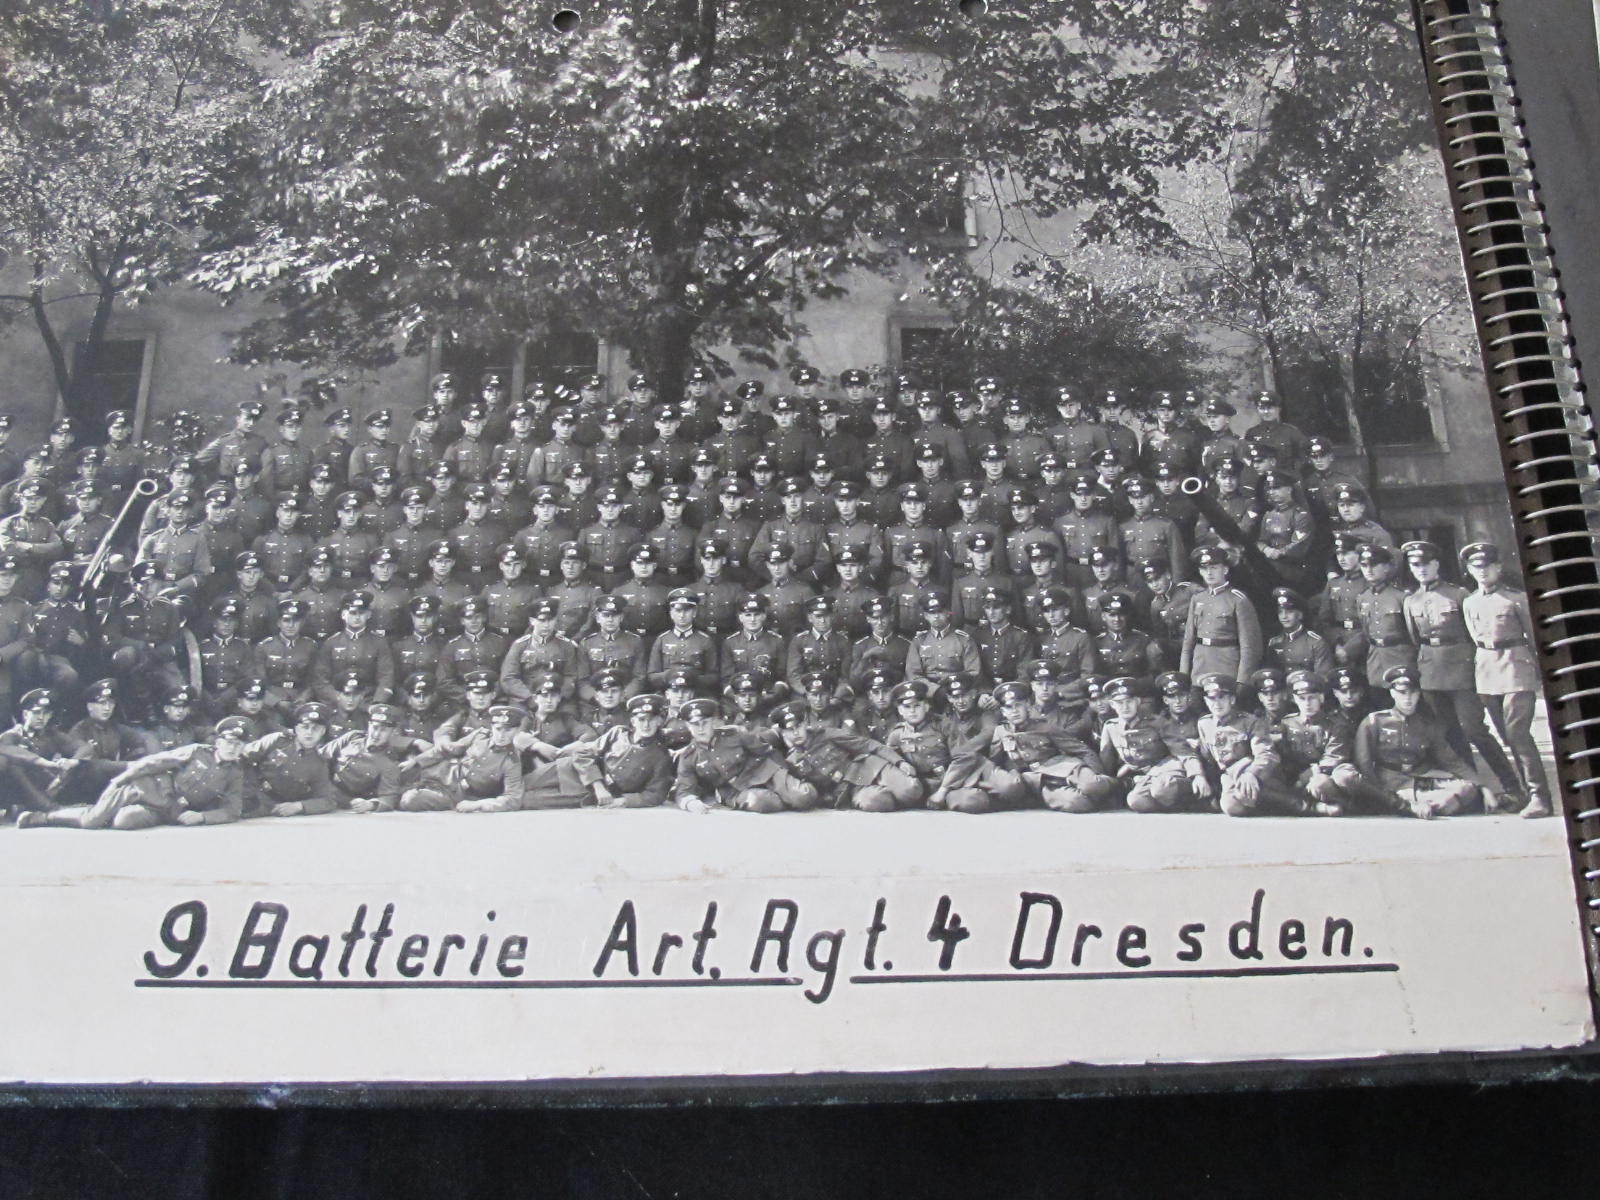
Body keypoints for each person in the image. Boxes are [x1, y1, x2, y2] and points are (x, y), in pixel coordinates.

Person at [20, 716, 253, 830]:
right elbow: (153, 762)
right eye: (229, 742)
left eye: (239, 744)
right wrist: (121, 780)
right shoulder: (196, 751)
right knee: (92, 821)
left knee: (123, 822)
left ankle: (99, 810)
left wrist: (202, 817)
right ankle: (43, 818)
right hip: (141, 788)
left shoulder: (235, 772)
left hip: (166, 810)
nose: (233, 748)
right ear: (218, 742)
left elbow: (232, 810)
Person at [1460, 541, 1551, 817]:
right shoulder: (1469, 602)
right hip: (1487, 671)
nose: (1483, 571)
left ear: (1498, 567)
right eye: (1477, 567)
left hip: (1515, 667)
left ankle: (1540, 797)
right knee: (1506, 737)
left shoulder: (1516, 599)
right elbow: (1474, 638)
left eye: (1488, 566)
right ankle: (1522, 794)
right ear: (1469, 570)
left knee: (1518, 734)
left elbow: (1536, 639)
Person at [1350, 665, 1485, 819]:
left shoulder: (1426, 724)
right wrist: (1379, 792)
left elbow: (1450, 760)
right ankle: (1420, 805)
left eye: (1412, 692)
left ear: (1418, 693)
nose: (1408, 698)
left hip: (1420, 778)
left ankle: (1425, 805)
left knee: (1467, 788)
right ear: (1392, 693)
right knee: (1453, 800)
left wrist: (1482, 787)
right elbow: (1364, 764)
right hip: (1391, 781)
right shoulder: (1374, 721)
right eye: (1402, 692)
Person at [521, 693, 675, 809]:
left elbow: (656, 794)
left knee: (525, 801)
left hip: (586, 794)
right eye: (641, 719)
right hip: (570, 769)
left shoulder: (660, 756)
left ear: (659, 721)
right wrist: (598, 786)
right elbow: (582, 753)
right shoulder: (617, 733)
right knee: (518, 786)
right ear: (633, 721)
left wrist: (623, 801)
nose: (646, 725)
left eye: (651, 720)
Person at [770, 698, 923, 812]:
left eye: (798, 726)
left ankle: (904, 790)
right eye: (790, 730)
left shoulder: (825, 734)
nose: (796, 732)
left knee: (911, 790)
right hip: (851, 791)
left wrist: (899, 761)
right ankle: (891, 795)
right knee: (878, 802)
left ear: (805, 724)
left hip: (868, 768)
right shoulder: (791, 761)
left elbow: (867, 744)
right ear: (783, 733)